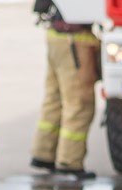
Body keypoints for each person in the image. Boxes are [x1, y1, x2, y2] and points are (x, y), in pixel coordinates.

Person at [29, 0, 101, 179]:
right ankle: (69, 162)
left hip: (56, 36)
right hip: (75, 40)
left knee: (54, 99)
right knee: (79, 104)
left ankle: (43, 153)